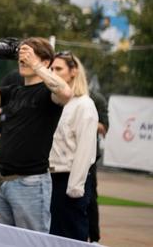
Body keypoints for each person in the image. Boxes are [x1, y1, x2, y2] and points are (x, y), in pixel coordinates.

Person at [0, 37, 73, 233]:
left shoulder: (48, 94)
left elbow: (65, 93)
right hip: (2, 181)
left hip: (31, 183)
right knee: (4, 241)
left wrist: (37, 65)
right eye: (21, 56)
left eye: (29, 55)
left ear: (46, 62)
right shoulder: (13, 91)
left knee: (32, 242)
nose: (22, 60)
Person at [49, 51, 98, 240]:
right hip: (48, 179)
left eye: (58, 68)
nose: (53, 72)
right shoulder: (55, 102)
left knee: (70, 237)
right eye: (51, 68)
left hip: (69, 181)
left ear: (73, 72)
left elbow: (85, 151)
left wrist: (74, 188)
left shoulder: (84, 105)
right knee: (49, 237)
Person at [88, 87, 109, 243]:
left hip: (88, 158)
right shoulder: (54, 92)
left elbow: (103, 128)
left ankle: (94, 239)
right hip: (58, 158)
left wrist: (82, 117)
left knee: (89, 199)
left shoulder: (96, 98)